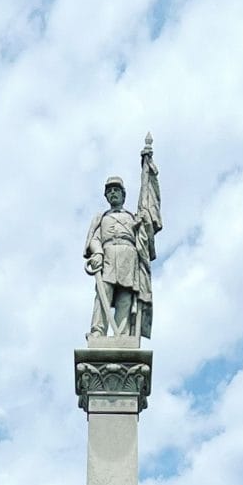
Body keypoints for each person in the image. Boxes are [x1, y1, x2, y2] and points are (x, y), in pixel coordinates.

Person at [84, 136, 161, 339]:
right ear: (106, 197)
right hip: (108, 255)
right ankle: (97, 331)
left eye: (117, 190)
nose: (113, 194)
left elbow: (143, 238)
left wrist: (143, 225)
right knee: (103, 295)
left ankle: (123, 333)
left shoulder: (132, 217)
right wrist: (98, 253)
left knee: (125, 298)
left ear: (123, 194)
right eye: (110, 192)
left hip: (128, 257)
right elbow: (94, 238)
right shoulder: (101, 217)